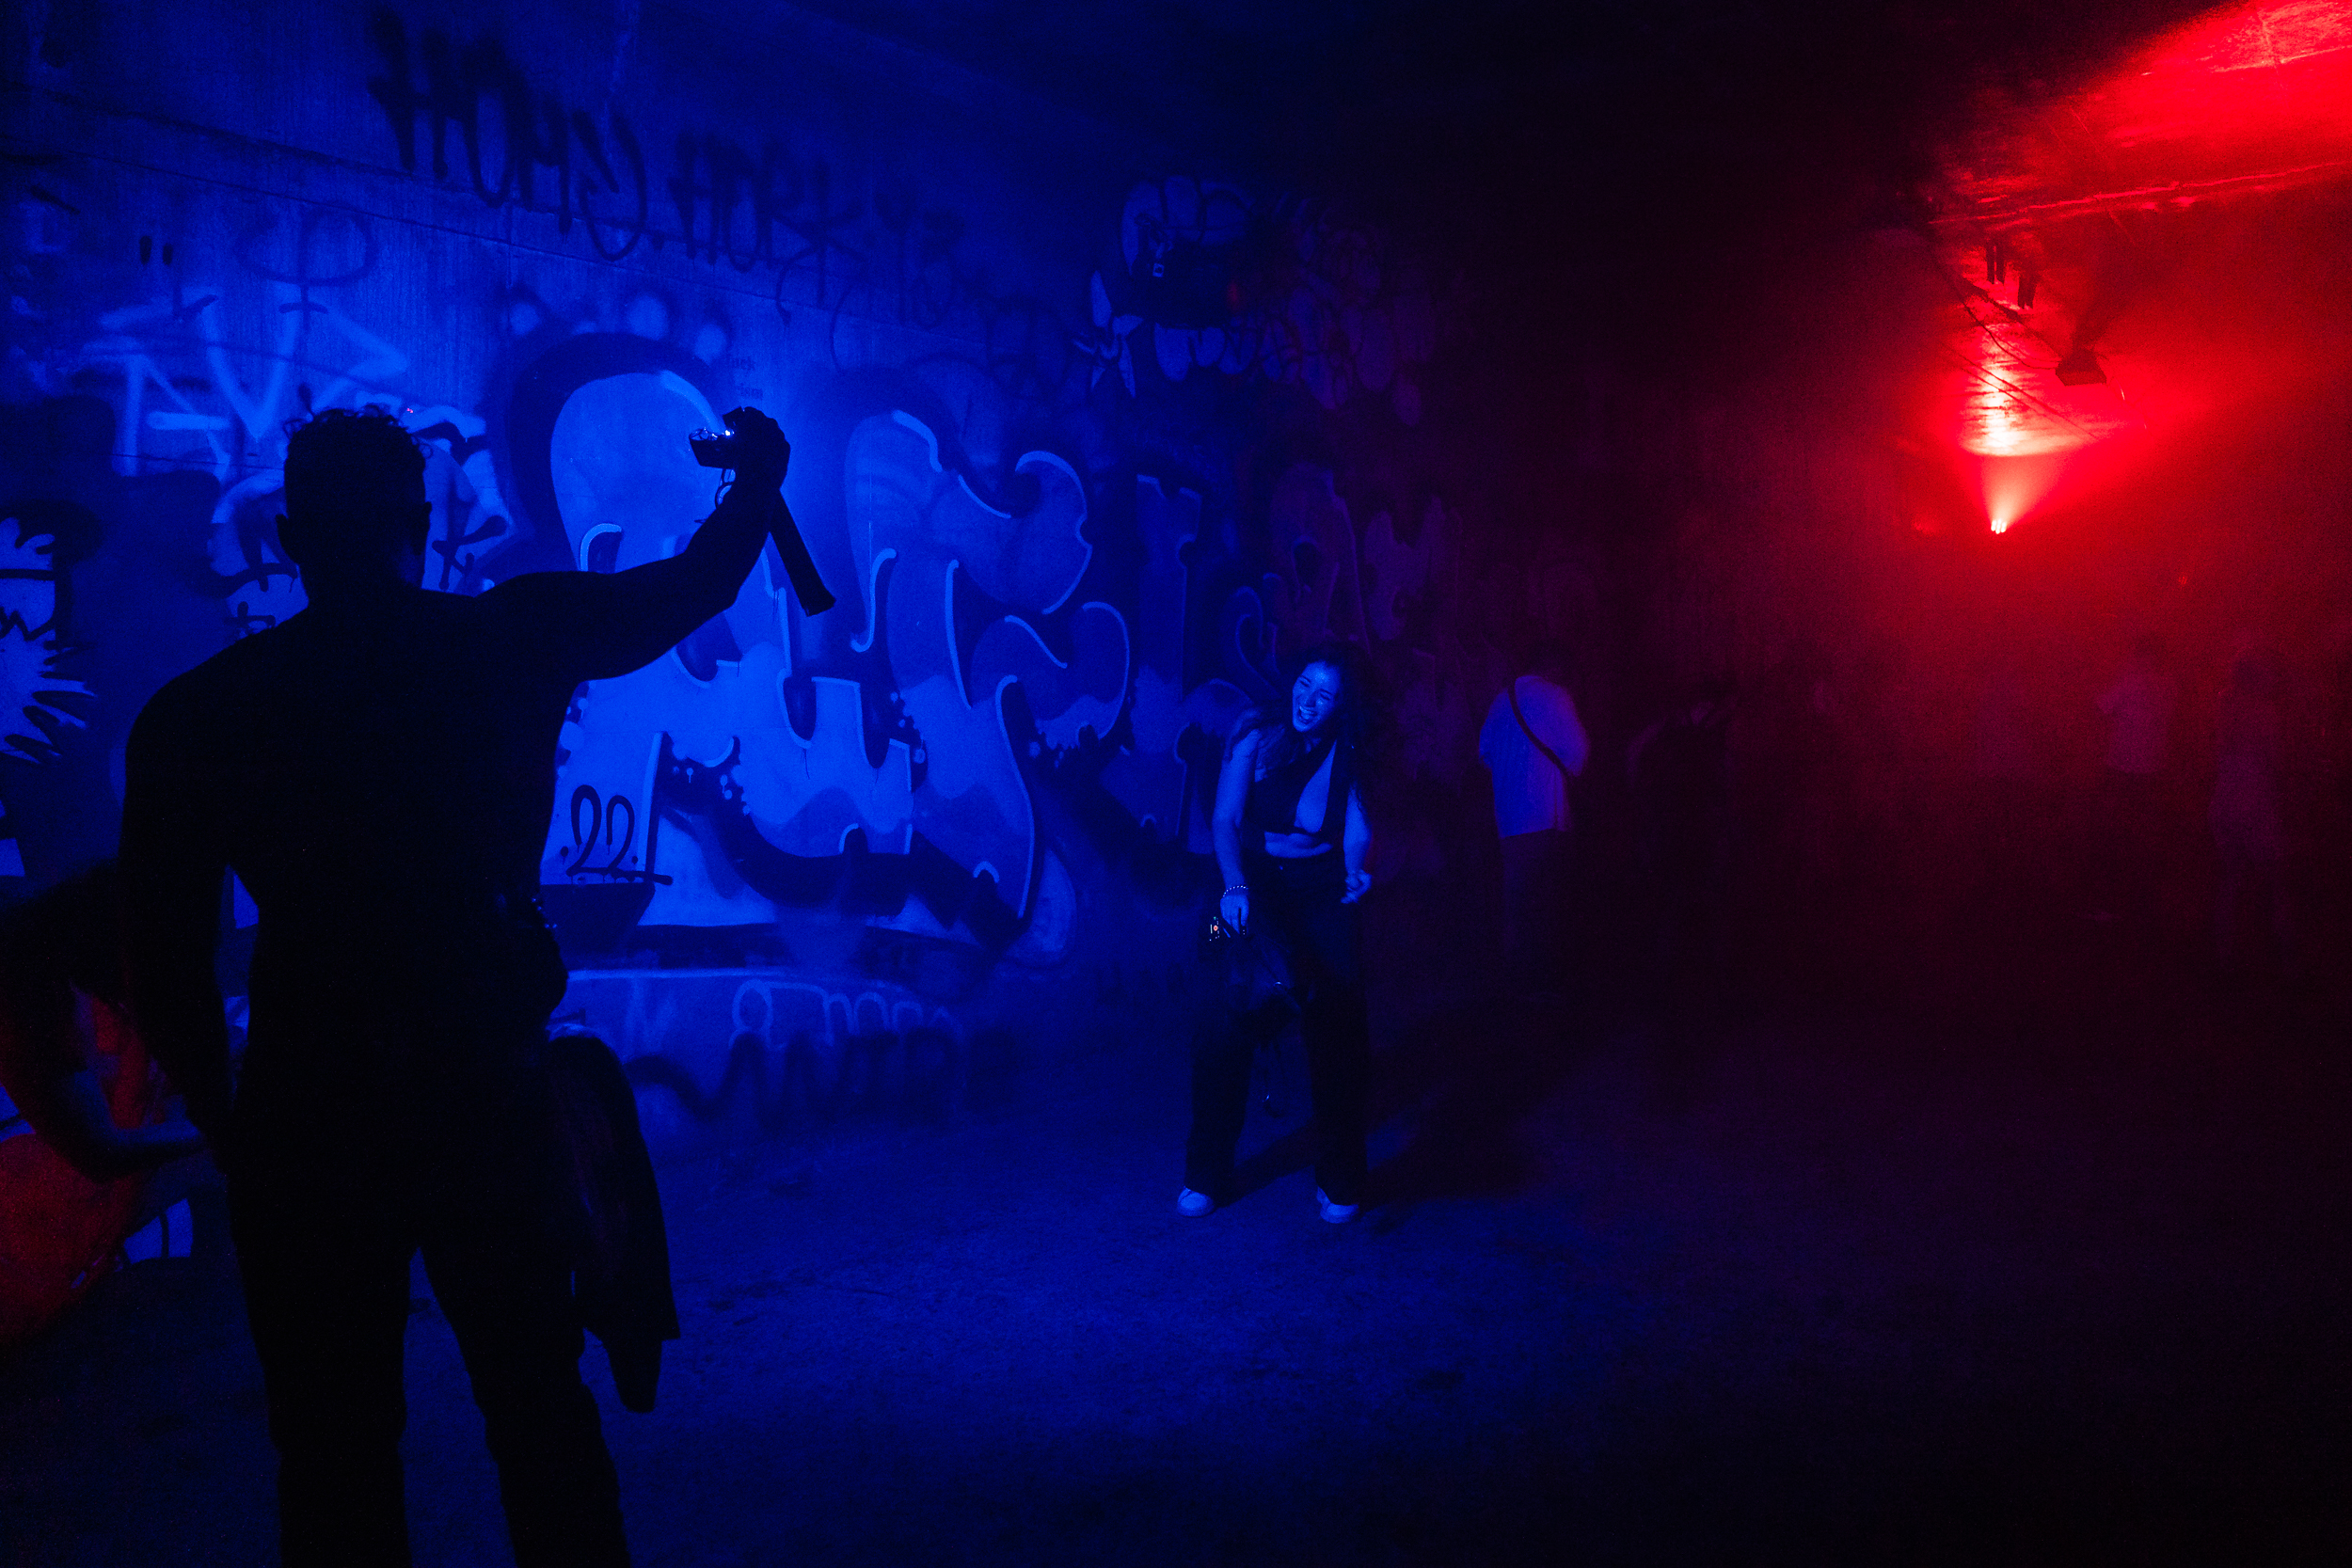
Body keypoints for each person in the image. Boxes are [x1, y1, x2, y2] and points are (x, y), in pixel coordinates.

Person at [119, 404, 800, 1567]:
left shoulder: (200, 716)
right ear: (422, 523)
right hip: (479, 1084)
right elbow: (686, 587)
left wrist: (232, 1120)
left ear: (289, 534)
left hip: (307, 1096)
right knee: (537, 1406)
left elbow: (163, 952)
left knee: (332, 1450)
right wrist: (758, 484)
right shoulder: (509, 639)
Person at [1182, 641, 1375, 1224]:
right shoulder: (1255, 731)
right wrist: (1235, 886)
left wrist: (1357, 870)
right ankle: (1206, 1173)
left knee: (1338, 1029)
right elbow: (1225, 819)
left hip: (1321, 891)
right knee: (1222, 1029)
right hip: (1251, 886)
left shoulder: (1349, 748)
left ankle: (1340, 1177)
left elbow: (1358, 824)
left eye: (1326, 695)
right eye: (1305, 684)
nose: (1309, 701)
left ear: (1342, 706)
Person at [1477, 642, 1589, 994]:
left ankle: (1517, 989)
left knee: (1517, 907)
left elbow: (1484, 755)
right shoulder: (1556, 695)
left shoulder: (1498, 702)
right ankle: (1547, 989)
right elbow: (1579, 755)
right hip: (1546, 820)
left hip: (1508, 824)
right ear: (1552, 665)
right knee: (1548, 909)